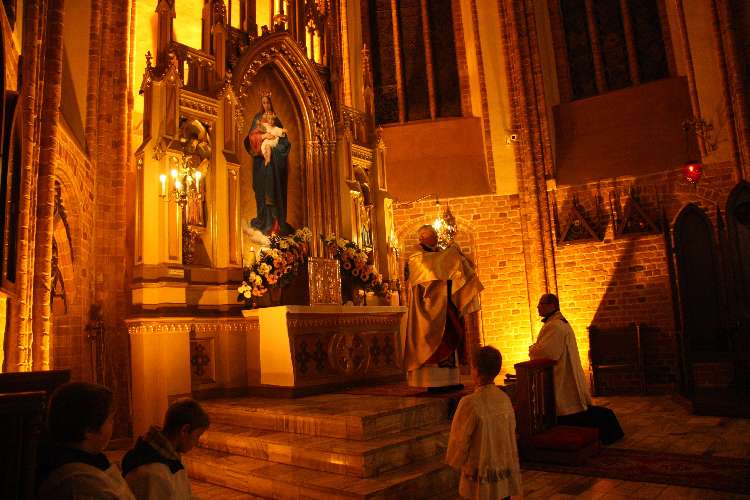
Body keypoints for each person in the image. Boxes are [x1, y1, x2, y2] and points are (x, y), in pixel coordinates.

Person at [529, 293, 624, 444]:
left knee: (568, 411)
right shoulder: (558, 323)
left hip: (561, 375)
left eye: (541, 304)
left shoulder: (555, 326)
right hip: (564, 371)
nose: (538, 307)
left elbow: (549, 353)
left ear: (552, 305)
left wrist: (532, 348)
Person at [404, 225, 483, 389]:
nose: (436, 238)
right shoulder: (416, 255)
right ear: (422, 238)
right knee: (432, 341)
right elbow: (431, 269)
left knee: (449, 337)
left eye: (435, 235)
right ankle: (431, 381)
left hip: (446, 304)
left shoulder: (441, 253)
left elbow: (449, 267)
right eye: (432, 235)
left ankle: (450, 380)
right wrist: (450, 255)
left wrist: (456, 256)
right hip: (428, 306)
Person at [446, 346, 522, 500]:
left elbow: (460, 439)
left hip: (481, 475)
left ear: (476, 370)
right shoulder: (504, 399)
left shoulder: (469, 403)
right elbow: (511, 432)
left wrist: (455, 459)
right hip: (502, 473)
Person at [36, 382, 135, 499]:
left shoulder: (91, 463)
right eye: (110, 420)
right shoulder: (81, 483)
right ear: (89, 430)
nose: (114, 425)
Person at [122, 399, 210, 500]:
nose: (197, 442)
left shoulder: (171, 457)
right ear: (184, 430)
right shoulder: (153, 473)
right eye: (197, 435)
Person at [244, 93, 293, 236]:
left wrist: (274, 149)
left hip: (275, 166)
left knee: (275, 193)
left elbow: (284, 142)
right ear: (261, 104)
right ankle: (263, 221)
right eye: (264, 103)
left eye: (268, 102)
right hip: (261, 165)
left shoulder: (276, 121)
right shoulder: (258, 119)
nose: (266, 105)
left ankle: (276, 225)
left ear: (271, 103)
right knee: (261, 192)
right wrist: (263, 136)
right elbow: (250, 138)